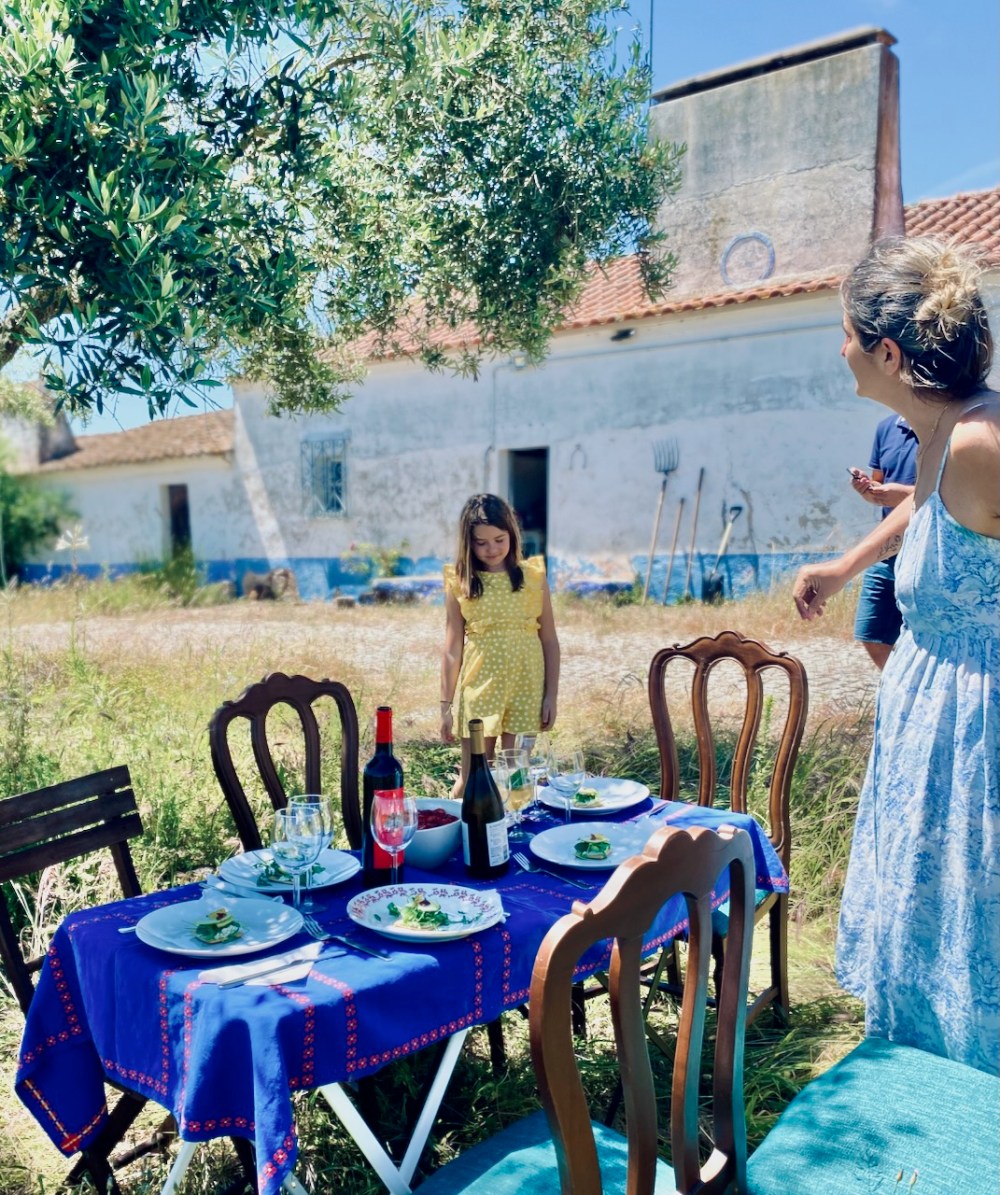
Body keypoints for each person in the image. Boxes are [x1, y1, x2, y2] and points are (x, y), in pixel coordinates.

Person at [793, 237, 999, 1076]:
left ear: (886, 352)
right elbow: (925, 510)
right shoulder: (945, 435)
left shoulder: (985, 440)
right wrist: (845, 567)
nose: (836, 346)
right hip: (936, 743)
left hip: (978, 750)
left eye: (843, 331)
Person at [440, 494, 560, 797]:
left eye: (499, 539)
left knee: (516, 777)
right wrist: (445, 707)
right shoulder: (460, 582)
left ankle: (511, 838)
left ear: (512, 534)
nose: (491, 549)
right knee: (473, 779)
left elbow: (549, 640)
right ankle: (459, 835)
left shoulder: (533, 578)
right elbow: (452, 648)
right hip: (479, 689)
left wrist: (551, 695)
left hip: (526, 689)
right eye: (481, 543)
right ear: (468, 543)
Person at [848, 413, 917, 668]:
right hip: (887, 551)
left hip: (925, 549)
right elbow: (879, 483)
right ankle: (902, 690)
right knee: (871, 633)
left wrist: (904, 495)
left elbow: (952, 489)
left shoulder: (945, 425)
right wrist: (868, 489)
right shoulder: (886, 428)